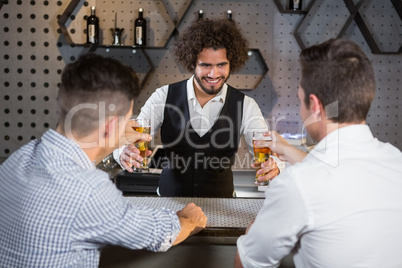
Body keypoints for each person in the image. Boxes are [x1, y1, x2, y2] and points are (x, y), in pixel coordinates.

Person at [0, 54, 207, 268]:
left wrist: (116, 138)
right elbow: (158, 234)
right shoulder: (90, 190)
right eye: (127, 120)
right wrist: (187, 220)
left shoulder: (18, 159)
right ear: (109, 126)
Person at [235, 38, 402, 267]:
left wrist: (252, 233)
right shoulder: (396, 162)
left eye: (299, 98)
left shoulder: (298, 184)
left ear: (314, 105)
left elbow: (247, 264)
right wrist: (286, 149)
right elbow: (335, 168)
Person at [114, 18, 280, 197]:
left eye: (221, 65)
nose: (214, 74)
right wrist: (122, 151)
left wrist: (274, 164)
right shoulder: (162, 96)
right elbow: (132, 136)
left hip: (222, 206)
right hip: (171, 206)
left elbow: (266, 151)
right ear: (192, 63)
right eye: (205, 65)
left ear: (231, 63)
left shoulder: (246, 105)